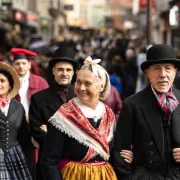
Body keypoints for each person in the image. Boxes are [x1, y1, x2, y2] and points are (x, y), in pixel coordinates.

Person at [40, 56, 133, 180]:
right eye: (78, 82)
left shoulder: (108, 114)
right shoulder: (64, 116)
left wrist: (128, 156)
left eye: (87, 83)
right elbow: (49, 160)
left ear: (101, 86)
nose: (81, 88)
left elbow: (114, 151)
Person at [112, 44, 180, 180]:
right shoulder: (132, 104)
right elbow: (119, 153)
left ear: (175, 71)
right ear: (147, 73)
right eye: (156, 69)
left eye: (168, 68)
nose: (163, 75)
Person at [29, 47, 79, 180]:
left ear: (74, 72)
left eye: (68, 70)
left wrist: (51, 131)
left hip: (76, 165)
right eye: (60, 69)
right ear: (53, 71)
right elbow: (36, 131)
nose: (64, 73)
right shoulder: (38, 99)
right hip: (48, 166)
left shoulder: (82, 98)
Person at [10, 48, 49, 179]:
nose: (20, 66)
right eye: (17, 63)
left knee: (34, 162)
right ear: (13, 65)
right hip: (14, 129)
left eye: (23, 63)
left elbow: (47, 106)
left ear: (29, 64)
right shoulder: (7, 83)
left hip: (34, 127)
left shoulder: (40, 82)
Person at [0, 62, 32, 179]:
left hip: (15, 153)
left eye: (2, 81)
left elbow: (23, 134)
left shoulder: (18, 106)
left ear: (10, 85)